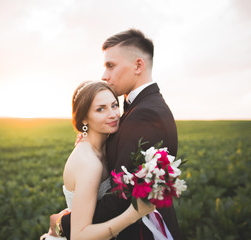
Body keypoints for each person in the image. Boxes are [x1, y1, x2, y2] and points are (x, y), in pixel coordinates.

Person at [58, 29, 183, 240]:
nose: (104, 75)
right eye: (101, 109)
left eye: (111, 65)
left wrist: (65, 223)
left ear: (137, 65)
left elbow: (122, 196)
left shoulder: (145, 113)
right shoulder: (140, 107)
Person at [40, 81, 156, 240]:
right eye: (100, 109)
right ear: (84, 118)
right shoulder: (89, 163)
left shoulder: (105, 146)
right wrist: (134, 214)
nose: (113, 114)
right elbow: (79, 235)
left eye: (114, 105)